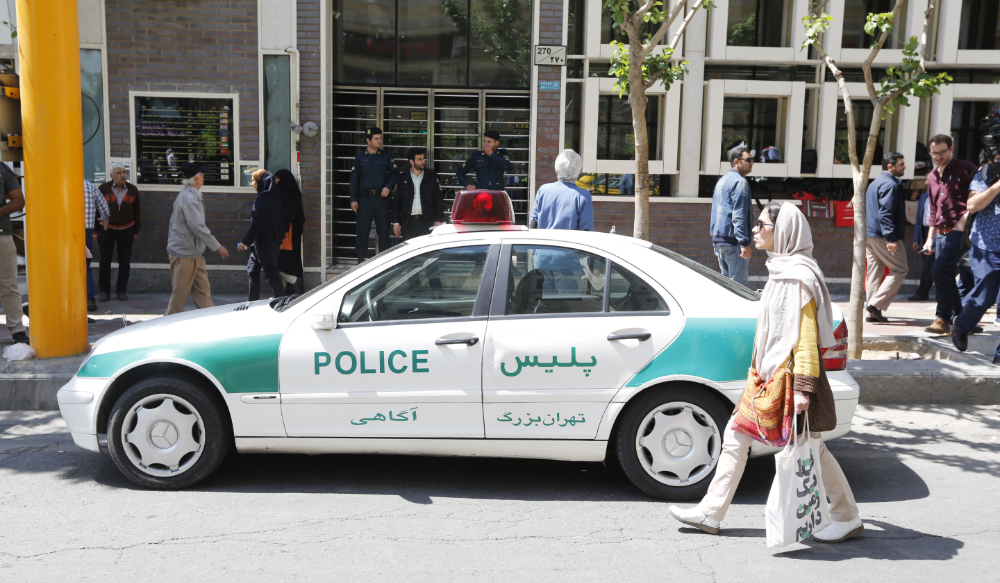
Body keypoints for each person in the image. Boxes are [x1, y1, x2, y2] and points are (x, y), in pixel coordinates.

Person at [669, 201, 863, 544]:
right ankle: (711, 512)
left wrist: (803, 390)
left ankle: (846, 516)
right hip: (767, 377)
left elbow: (804, 339)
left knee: (807, 446)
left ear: (783, 231)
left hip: (788, 381)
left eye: (762, 225)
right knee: (738, 437)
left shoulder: (798, 277)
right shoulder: (781, 269)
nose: (755, 230)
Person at [922, 135, 979, 334]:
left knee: (938, 270)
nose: (938, 156)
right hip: (940, 233)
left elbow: (980, 195)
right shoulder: (932, 176)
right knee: (944, 272)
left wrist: (964, 220)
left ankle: (943, 318)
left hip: (961, 231)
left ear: (951, 148)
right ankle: (963, 321)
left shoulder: (966, 167)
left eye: (942, 152)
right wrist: (930, 237)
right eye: (934, 153)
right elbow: (933, 209)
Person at [165, 163, 229, 315]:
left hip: (193, 252)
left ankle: (210, 321)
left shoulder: (189, 195)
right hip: (184, 254)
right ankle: (165, 326)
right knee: (179, 298)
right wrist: (217, 246)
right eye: (202, 174)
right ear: (196, 178)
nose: (204, 176)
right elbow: (198, 227)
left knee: (203, 292)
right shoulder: (189, 198)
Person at [952, 160, 1000, 358]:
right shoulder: (987, 172)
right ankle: (961, 325)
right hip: (988, 245)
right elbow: (972, 205)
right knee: (983, 298)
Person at [864, 152, 909, 322]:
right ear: (890, 166)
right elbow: (886, 213)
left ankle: (872, 314)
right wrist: (891, 238)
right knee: (900, 269)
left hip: (870, 234)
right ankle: (875, 305)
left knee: (874, 273)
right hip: (883, 236)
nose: (904, 167)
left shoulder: (875, 183)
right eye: (901, 164)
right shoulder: (890, 184)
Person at [237, 169, 289, 301]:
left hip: (266, 244)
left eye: (254, 181)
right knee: (252, 269)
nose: (252, 183)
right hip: (263, 244)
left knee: (271, 274)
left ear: (262, 183)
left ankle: (281, 301)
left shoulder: (262, 200)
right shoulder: (274, 198)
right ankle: (252, 300)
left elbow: (257, 225)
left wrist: (244, 242)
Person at [349, 127, 398, 263]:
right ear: (368, 140)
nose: (379, 141)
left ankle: (384, 263)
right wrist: (353, 199)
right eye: (376, 138)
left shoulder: (386, 156)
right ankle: (360, 262)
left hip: (381, 200)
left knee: (383, 231)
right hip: (364, 200)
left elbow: (395, 174)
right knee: (362, 230)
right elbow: (354, 180)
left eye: (380, 138)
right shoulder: (360, 158)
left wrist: (388, 186)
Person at [709, 145, 754, 287]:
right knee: (738, 287)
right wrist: (744, 242)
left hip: (719, 241)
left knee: (727, 286)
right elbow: (739, 215)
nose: (752, 163)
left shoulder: (722, 181)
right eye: (749, 160)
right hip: (733, 241)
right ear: (736, 161)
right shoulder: (740, 182)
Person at [97, 162, 141, 301]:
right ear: (111, 175)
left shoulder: (133, 189)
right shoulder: (103, 189)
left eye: (124, 172)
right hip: (106, 229)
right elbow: (96, 210)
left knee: (125, 261)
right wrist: (95, 232)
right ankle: (105, 291)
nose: (123, 175)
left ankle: (121, 290)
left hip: (127, 229)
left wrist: (136, 231)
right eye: (119, 173)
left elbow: (137, 211)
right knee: (105, 261)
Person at [529, 149, 594, 231]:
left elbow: (533, 223)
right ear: (580, 170)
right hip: (569, 243)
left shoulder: (543, 190)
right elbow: (586, 230)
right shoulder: (583, 196)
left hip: (544, 243)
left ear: (556, 170)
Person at [392, 147, 445, 241]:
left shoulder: (431, 176)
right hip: (408, 223)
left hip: (427, 222)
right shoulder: (402, 177)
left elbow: (438, 200)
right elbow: (396, 202)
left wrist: (438, 220)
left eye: (423, 159)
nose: (423, 162)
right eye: (419, 159)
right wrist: (396, 222)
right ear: (411, 161)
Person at [0, 163, 26, 343]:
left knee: (8, 284)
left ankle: (17, 329)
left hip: (1, 233)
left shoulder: (2, 169)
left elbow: (19, 200)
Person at [274, 169, 306, 295]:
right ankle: (284, 292)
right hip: (292, 234)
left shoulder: (280, 193)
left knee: (279, 262)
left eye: (278, 179)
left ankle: (292, 283)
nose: (276, 181)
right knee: (288, 262)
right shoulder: (294, 193)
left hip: (286, 234)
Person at [84, 180, 111, 313]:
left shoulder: (59, 184)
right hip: (86, 230)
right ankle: (89, 300)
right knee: (85, 264)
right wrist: (105, 218)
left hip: (65, 229)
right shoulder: (89, 186)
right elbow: (104, 207)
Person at [909, 190, 934, 301]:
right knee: (927, 264)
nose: (927, 182)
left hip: (939, 232)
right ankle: (923, 292)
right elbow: (918, 218)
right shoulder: (924, 196)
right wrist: (917, 238)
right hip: (925, 232)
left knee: (934, 265)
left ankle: (923, 291)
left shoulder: (943, 194)